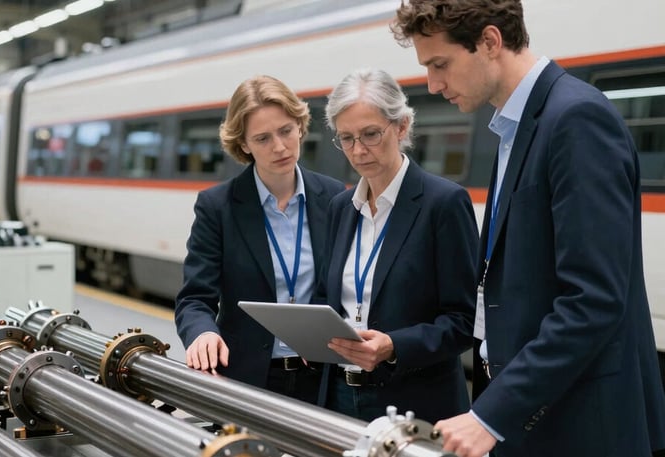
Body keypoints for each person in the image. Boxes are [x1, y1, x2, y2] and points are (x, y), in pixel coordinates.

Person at [391, 2, 665, 456]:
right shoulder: (517, 127)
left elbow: (593, 300)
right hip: (539, 419)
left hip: (579, 427)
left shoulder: (575, 120)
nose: (433, 84)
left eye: (440, 64)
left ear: (490, 42)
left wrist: (491, 414)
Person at [318, 68, 477, 423]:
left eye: (371, 134)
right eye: (346, 138)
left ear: (402, 126)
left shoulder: (444, 203)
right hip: (340, 396)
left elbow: (464, 321)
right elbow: (328, 298)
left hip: (415, 402)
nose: (358, 151)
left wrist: (393, 346)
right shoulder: (341, 208)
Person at [175, 75, 345, 403]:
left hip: (322, 376)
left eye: (285, 131)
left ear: (300, 126)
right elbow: (194, 298)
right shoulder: (218, 207)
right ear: (244, 145)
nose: (279, 147)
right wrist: (203, 332)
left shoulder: (335, 197)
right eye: (263, 138)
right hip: (249, 378)